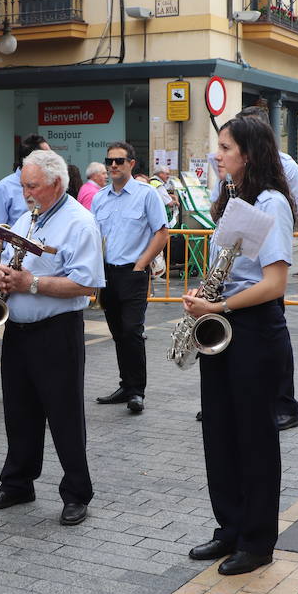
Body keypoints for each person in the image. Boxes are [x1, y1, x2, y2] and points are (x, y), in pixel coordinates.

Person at [184, 114, 294, 576]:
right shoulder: (233, 198)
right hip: (225, 325)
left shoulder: (271, 202)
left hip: (251, 328)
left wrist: (220, 309)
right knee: (220, 433)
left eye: (225, 148)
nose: (217, 154)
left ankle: (256, 540)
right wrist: (204, 296)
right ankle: (228, 526)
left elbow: (275, 282)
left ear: (248, 154)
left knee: (254, 438)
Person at [0, 149, 104, 526]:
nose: (26, 193)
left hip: (57, 330)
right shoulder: (25, 216)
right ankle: (18, 482)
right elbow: (5, 266)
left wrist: (29, 282)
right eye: (23, 186)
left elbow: (85, 283)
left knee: (64, 414)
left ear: (56, 183)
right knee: (19, 411)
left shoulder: (79, 223)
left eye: (32, 186)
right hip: (18, 328)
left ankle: (76, 493)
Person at [91, 141, 169, 414]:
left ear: (131, 164)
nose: (113, 165)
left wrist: (141, 265)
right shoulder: (100, 197)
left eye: (119, 161)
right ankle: (126, 385)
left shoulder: (147, 194)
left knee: (132, 331)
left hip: (133, 273)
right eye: (109, 160)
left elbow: (162, 233)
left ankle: (137, 391)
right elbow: (92, 237)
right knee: (117, 333)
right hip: (107, 274)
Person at [0, 134, 50, 231]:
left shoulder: (49, 184)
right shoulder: (4, 187)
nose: (52, 160)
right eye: (48, 157)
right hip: (14, 245)